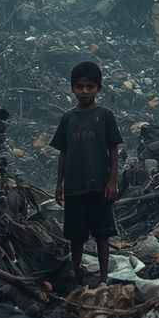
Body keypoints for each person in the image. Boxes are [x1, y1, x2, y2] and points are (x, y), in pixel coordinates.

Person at [50, 61, 122, 287]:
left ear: (99, 88)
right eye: (79, 86)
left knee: (102, 233)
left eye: (90, 86)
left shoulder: (105, 115)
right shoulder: (68, 118)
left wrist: (112, 181)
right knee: (76, 235)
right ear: (72, 88)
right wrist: (59, 184)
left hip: (99, 185)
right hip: (74, 186)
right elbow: (63, 153)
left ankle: (103, 278)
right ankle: (76, 274)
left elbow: (113, 149)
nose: (84, 91)